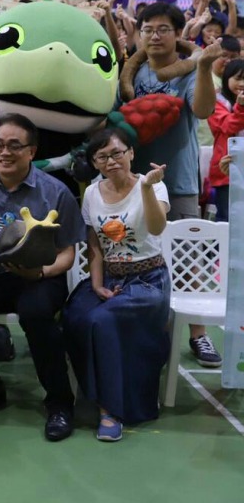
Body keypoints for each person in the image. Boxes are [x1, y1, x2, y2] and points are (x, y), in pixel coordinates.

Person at [0, 114, 84, 441]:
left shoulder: (56, 191)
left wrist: (41, 271)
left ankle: (59, 403)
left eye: (14, 146)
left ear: (31, 151)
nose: (5, 153)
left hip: (40, 277)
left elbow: (68, 252)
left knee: (36, 314)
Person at [126, 2, 222, 367]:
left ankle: (198, 334)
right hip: (135, 182)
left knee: (187, 258)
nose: (154, 35)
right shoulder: (131, 74)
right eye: (147, 28)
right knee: (137, 254)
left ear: (177, 33)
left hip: (177, 181)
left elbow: (202, 110)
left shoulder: (187, 71)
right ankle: (145, 330)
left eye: (163, 28)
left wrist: (203, 67)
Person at [62, 128, 170, 442]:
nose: (111, 161)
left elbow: (156, 226)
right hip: (109, 277)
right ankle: (92, 390)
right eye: (102, 157)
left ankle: (111, 409)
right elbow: (94, 247)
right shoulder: (93, 194)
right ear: (94, 162)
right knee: (75, 314)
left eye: (117, 153)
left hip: (148, 282)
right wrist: (96, 285)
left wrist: (148, 189)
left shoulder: (153, 187)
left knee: (102, 319)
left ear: (131, 153)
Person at [207, 59, 244, 221]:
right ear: (226, 77)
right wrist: (241, 107)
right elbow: (228, 126)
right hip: (226, 174)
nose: (242, 83)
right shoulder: (216, 101)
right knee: (228, 220)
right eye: (237, 78)